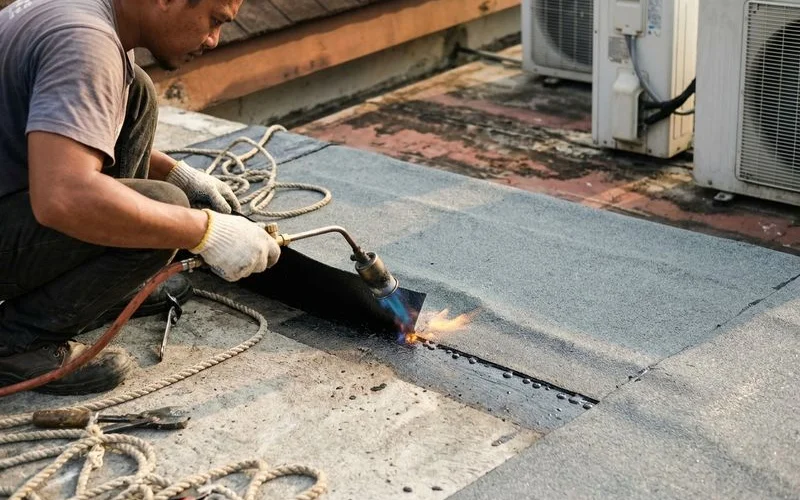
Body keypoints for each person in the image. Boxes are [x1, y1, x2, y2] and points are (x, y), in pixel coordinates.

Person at [0, 0, 281, 395]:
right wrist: (204, 231)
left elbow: (73, 132)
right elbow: (62, 197)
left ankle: (103, 282)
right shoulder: (86, 43)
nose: (214, 40)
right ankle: (17, 342)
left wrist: (181, 174)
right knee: (164, 213)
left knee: (137, 92)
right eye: (214, 21)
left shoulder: (87, 13)